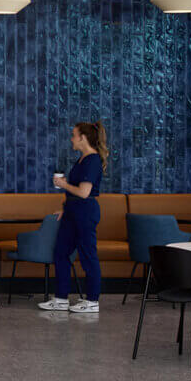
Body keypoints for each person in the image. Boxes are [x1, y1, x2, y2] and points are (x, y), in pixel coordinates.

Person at [40, 121, 107, 315]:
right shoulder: (81, 159)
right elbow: (76, 193)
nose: (71, 139)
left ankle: (92, 300)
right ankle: (61, 299)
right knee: (61, 252)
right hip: (73, 212)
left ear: (83, 138)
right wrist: (66, 209)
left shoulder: (92, 160)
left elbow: (84, 192)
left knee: (88, 256)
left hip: (85, 213)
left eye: (73, 135)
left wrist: (62, 184)